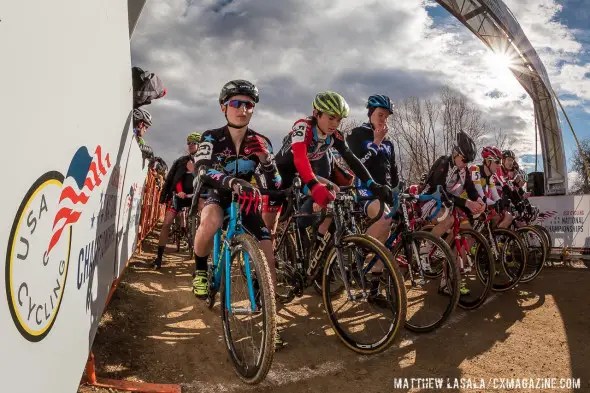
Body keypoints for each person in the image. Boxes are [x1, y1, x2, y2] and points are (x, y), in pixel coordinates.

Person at [190, 80, 286, 348]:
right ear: (224, 107)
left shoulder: (261, 141)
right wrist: (230, 182)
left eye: (248, 104)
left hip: (245, 200)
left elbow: (275, 184)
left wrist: (266, 161)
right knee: (211, 220)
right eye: (236, 103)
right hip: (217, 194)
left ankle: (271, 320)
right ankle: (199, 270)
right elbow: (203, 169)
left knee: (267, 258)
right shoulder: (211, 136)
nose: (242, 109)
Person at [274, 91, 393, 291]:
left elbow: (352, 161)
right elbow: (300, 160)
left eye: (338, 120)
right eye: (330, 118)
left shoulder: (334, 136)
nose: (334, 124)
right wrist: (313, 186)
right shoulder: (303, 127)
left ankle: (318, 242)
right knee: (273, 223)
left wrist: (373, 185)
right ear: (316, 113)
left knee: (334, 192)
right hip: (284, 173)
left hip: (303, 172)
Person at [346, 94, 398, 246]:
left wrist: (397, 190)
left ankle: (375, 269)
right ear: (371, 113)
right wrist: (376, 142)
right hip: (365, 188)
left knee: (386, 233)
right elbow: (358, 165)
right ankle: (356, 252)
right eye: (380, 115)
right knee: (384, 220)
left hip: (385, 191)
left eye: (386, 117)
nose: (384, 119)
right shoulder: (357, 134)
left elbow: (393, 170)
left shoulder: (389, 142)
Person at [150, 132, 201, 269]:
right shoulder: (182, 161)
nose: (190, 145)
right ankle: (159, 258)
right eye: (188, 143)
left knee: (207, 220)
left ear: (199, 145)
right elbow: (176, 178)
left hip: (196, 196)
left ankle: (202, 262)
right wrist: (179, 191)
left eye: (193, 143)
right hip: (180, 196)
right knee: (166, 223)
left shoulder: (204, 162)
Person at [467, 146, 513, 229]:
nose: (499, 165)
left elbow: (496, 196)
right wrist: (494, 204)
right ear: (488, 161)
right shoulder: (475, 169)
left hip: (478, 206)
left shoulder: (490, 176)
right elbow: (481, 195)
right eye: (497, 162)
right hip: (467, 203)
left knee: (496, 217)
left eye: (500, 162)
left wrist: (500, 203)